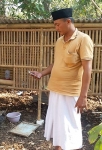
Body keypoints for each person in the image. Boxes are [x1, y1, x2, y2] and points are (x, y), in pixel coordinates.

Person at [30, 8, 93, 150]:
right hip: (55, 89)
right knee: (58, 127)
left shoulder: (83, 40)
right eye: (55, 25)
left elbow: (88, 70)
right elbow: (56, 63)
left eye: (58, 24)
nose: (56, 27)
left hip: (71, 93)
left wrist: (83, 96)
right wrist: (42, 73)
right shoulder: (59, 41)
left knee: (71, 128)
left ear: (68, 21)